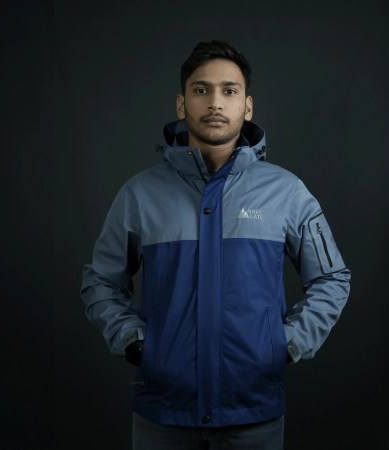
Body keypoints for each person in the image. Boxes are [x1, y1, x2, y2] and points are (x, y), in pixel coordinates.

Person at [80, 39, 351, 450]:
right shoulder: (140, 194)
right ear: (181, 103)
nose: (215, 103)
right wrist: (134, 341)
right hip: (163, 414)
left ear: (248, 106)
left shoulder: (286, 192)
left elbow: (332, 279)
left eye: (229, 90)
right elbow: (100, 280)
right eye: (201, 89)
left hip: (253, 413)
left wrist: (286, 343)